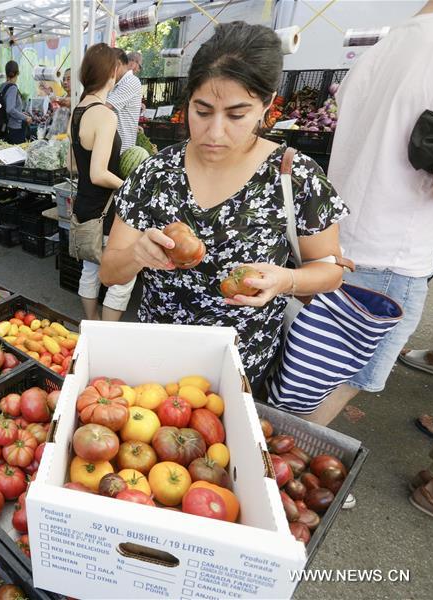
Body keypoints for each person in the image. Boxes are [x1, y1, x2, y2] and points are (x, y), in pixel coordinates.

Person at [100, 21, 349, 394]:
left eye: (236, 115)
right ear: (188, 102)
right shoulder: (155, 172)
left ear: (266, 105)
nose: (215, 133)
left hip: (239, 362)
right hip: (156, 360)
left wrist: (286, 280)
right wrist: (137, 253)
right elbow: (109, 272)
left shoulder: (294, 175)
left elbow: (330, 272)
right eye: (202, 111)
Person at [299, 1, 433, 427]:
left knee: (310, 368)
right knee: (342, 379)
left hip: (337, 239)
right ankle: (279, 474)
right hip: (393, 253)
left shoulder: (386, 44)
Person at [70, 43, 137, 322]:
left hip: (85, 205)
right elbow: (100, 174)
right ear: (112, 72)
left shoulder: (78, 111)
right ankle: (107, 331)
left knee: (90, 270)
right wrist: (128, 185)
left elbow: (73, 165)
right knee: (122, 278)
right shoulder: (106, 115)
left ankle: (93, 321)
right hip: (106, 210)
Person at [107, 49, 143, 154]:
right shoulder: (118, 82)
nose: (138, 69)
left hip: (121, 151)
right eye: (139, 66)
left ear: (118, 64)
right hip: (114, 147)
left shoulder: (131, 81)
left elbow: (105, 107)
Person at [1, 60, 31, 144]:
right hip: (15, 128)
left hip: (7, 127)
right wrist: (26, 118)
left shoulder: (3, 86)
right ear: (17, 73)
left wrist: (22, 113)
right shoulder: (13, 88)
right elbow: (10, 109)